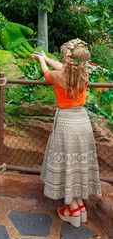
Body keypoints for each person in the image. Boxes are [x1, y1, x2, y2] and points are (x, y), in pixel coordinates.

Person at [32, 39, 102, 227]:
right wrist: (46, 57)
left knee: (66, 163)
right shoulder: (84, 72)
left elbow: (47, 74)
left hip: (66, 123)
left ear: (67, 59)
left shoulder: (58, 76)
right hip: (82, 121)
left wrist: (41, 61)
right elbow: (66, 67)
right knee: (78, 162)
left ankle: (71, 208)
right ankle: (79, 207)